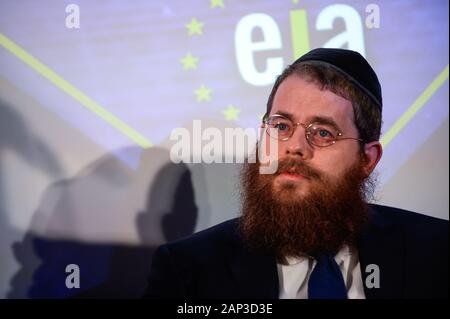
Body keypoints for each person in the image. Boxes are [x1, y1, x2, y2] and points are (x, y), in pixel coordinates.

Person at [143, 48, 448, 299]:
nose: (294, 147)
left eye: (324, 132)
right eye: (281, 127)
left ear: (367, 159)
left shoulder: (437, 253)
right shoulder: (189, 273)